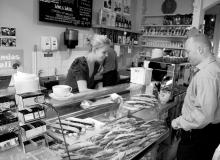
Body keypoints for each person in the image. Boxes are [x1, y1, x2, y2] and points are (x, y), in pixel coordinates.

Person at [171, 33, 220, 160]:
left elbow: (204, 114)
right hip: (210, 133)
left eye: (188, 52)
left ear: (200, 50)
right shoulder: (215, 67)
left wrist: (178, 122)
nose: (186, 56)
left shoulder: (206, 75)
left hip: (199, 136)